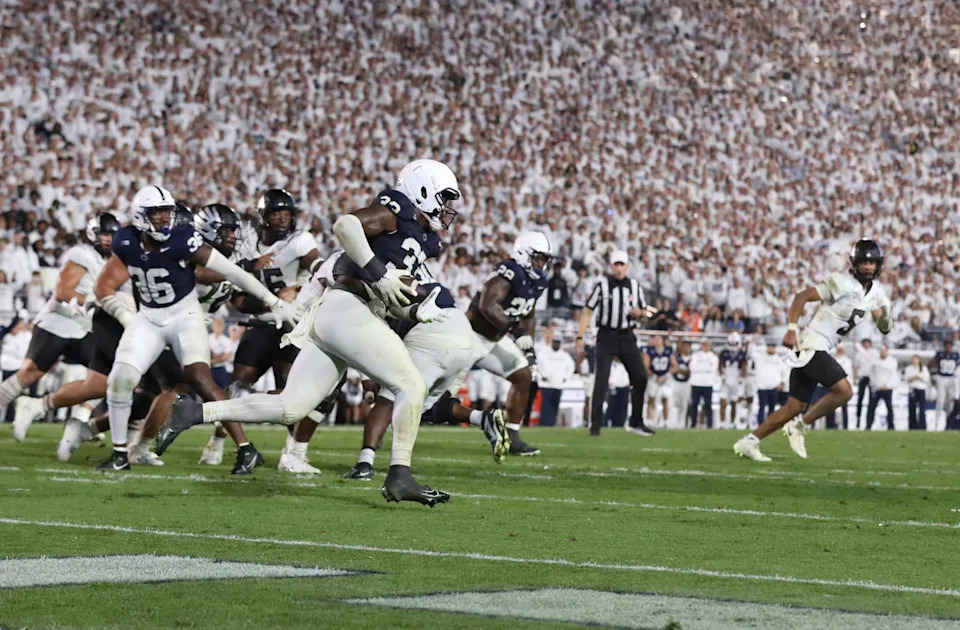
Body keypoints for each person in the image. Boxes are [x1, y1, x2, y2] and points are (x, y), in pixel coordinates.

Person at [157, 160, 459, 506]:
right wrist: (381, 274)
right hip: (349, 309)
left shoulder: (424, 238)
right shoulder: (396, 211)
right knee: (411, 385)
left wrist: (417, 302)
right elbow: (345, 225)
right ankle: (399, 476)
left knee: (291, 407)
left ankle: (195, 413)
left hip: (342, 315)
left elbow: (396, 285)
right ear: (423, 189)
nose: (448, 208)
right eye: (445, 197)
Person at [94, 185, 301, 471]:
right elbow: (106, 284)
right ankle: (119, 453)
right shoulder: (126, 241)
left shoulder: (184, 241)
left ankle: (241, 447)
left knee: (199, 380)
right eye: (157, 214)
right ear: (141, 216)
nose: (164, 220)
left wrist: (271, 301)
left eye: (167, 213)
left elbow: (232, 273)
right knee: (119, 379)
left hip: (185, 317)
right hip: (149, 318)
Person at [734, 239, 891, 461]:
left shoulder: (876, 293)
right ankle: (800, 427)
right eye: (863, 263)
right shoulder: (842, 282)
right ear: (854, 263)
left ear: (878, 265)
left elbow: (885, 327)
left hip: (820, 347)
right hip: (812, 343)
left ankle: (749, 442)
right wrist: (791, 329)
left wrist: (883, 315)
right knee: (844, 391)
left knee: (794, 406)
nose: (867, 267)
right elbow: (802, 296)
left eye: (872, 263)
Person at [5, 213, 120, 438]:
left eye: (111, 235)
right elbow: (62, 291)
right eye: (104, 234)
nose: (108, 239)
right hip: (57, 324)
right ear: (93, 235)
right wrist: (92, 302)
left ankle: (80, 420)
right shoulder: (82, 254)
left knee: (108, 375)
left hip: (81, 329)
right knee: (27, 375)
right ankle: (24, 406)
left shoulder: (111, 261)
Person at [465, 230, 553, 456]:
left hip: (494, 340)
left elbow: (529, 315)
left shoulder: (538, 282)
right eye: (537, 257)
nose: (541, 264)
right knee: (435, 392)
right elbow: (487, 305)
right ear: (523, 253)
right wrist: (514, 329)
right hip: (468, 337)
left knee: (523, 375)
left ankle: (512, 436)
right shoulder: (509, 271)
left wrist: (528, 344)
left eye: (544, 259)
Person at [576, 249, 655, 436]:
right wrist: (580, 336)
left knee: (641, 378)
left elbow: (645, 311)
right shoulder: (602, 285)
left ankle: (636, 421)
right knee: (601, 381)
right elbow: (588, 310)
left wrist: (640, 313)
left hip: (627, 336)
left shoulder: (635, 286)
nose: (619, 268)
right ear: (611, 266)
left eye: (622, 265)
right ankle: (595, 426)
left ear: (627, 267)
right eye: (616, 265)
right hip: (606, 336)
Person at [536, 333, 576, 427]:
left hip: (558, 385)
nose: (556, 344)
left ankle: (552, 423)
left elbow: (571, 367)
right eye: (555, 342)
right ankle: (544, 424)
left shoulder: (565, 355)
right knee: (546, 405)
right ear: (552, 342)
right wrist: (541, 376)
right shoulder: (543, 353)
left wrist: (566, 377)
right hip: (546, 384)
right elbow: (537, 365)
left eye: (558, 342)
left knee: (555, 405)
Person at [643, 333, 678, 428]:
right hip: (653, 378)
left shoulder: (668, 351)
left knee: (665, 399)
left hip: (665, 378)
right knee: (651, 399)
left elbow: (675, 366)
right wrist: (654, 376)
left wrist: (666, 375)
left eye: (659, 339)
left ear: (663, 340)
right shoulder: (649, 351)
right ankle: (649, 420)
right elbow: (645, 365)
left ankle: (666, 421)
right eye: (656, 339)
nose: (657, 341)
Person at [718, 332, 748, 428]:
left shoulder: (742, 354)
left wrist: (742, 378)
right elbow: (720, 363)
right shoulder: (724, 352)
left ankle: (732, 422)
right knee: (723, 402)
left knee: (734, 403)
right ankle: (722, 423)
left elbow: (744, 366)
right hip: (726, 379)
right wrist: (721, 374)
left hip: (736, 380)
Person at [688, 339, 719, 428]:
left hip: (708, 383)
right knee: (694, 404)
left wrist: (700, 368)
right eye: (704, 344)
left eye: (707, 344)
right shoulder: (695, 356)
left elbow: (713, 369)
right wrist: (706, 369)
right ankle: (693, 424)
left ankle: (709, 424)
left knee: (708, 405)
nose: (705, 346)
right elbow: (692, 368)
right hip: (696, 383)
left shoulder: (713, 357)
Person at [928, 340, 958, 432]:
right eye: (946, 345)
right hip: (941, 378)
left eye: (949, 345)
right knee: (940, 402)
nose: (948, 347)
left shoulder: (956, 355)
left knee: (950, 404)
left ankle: (949, 424)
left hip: (951, 379)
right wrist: (932, 376)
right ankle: (936, 424)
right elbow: (930, 365)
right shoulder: (940, 354)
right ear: (944, 346)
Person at [867, 343, 899, 430]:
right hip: (876, 388)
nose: (883, 352)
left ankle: (891, 426)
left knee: (889, 408)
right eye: (881, 350)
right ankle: (868, 426)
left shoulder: (892, 361)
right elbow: (872, 374)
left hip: (887, 388)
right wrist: (875, 384)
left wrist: (887, 385)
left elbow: (893, 375)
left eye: (884, 350)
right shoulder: (874, 361)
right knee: (871, 408)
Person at [753, 341, 784, 429]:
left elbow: (784, 371)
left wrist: (782, 382)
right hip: (762, 386)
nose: (771, 349)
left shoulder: (778, 359)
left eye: (772, 347)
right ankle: (760, 426)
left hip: (774, 386)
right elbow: (751, 353)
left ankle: (770, 426)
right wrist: (751, 342)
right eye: (769, 347)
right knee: (761, 407)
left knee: (772, 407)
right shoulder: (760, 357)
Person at [826, 345, 854, 429]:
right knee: (831, 407)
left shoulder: (847, 361)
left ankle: (845, 426)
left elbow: (849, 374)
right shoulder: (832, 360)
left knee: (844, 408)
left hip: (843, 386)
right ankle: (830, 426)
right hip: (833, 386)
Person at [853, 338, 877, 429]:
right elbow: (856, 367)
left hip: (871, 377)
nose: (867, 344)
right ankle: (858, 419)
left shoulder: (874, 353)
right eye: (865, 343)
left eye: (868, 343)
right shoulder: (859, 354)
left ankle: (869, 420)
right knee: (860, 399)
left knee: (871, 400)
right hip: (862, 377)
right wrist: (855, 379)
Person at [905, 354, 930, 430]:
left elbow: (927, 379)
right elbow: (906, 378)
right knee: (912, 408)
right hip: (912, 389)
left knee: (922, 409)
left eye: (916, 359)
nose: (914, 361)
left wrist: (920, 377)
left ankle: (922, 426)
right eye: (913, 359)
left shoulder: (924, 368)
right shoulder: (909, 368)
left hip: (921, 389)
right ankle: (912, 426)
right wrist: (913, 378)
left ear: (919, 360)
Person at [672, 339, 692, 428]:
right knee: (674, 403)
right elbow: (672, 370)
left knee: (684, 404)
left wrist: (680, 370)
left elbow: (690, 373)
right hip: (676, 382)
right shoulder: (676, 357)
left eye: (687, 346)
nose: (686, 348)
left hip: (686, 383)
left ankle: (682, 423)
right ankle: (673, 422)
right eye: (684, 346)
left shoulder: (692, 359)